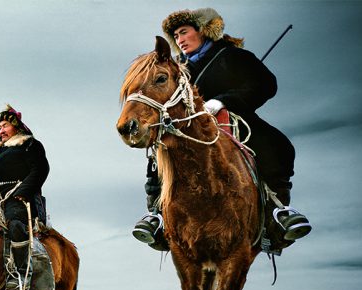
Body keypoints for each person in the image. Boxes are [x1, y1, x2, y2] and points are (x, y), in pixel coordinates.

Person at [132, 8, 311, 251]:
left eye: (184, 32)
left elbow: (266, 85)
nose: (179, 40)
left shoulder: (232, 56)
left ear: (203, 31)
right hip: (189, 130)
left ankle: (278, 213)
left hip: (234, 120)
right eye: (175, 36)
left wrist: (223, 100)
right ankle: (155, 216)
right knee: (160, 154)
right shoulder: (177, 70)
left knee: (276, 145)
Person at [0, 105, 49, 290]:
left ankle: (22, 272)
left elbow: (40, 170)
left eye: (4, 126)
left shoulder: (29, 144)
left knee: (15, 225)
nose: (1, 131)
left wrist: (23, 192)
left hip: (19, 196)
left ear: (16, 126)